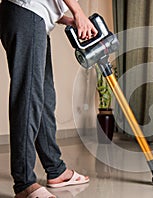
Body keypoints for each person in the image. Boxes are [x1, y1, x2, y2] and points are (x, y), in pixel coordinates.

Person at [0, 0, 98, 197]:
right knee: (29, 99)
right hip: (28, 14)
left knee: (44, 99)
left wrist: (67, 19)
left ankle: (56, 170)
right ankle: (24, 183)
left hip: (33, 16)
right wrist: (78, 12)